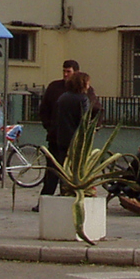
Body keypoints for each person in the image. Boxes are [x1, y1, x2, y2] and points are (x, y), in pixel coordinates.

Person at [39, 70, 92, 205]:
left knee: (58, 169)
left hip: (61, 138)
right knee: (73, 170)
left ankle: (48, 198)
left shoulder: (63, 97)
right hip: (75, 140)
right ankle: (69, 194)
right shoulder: (83, 99)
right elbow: (84, 121)